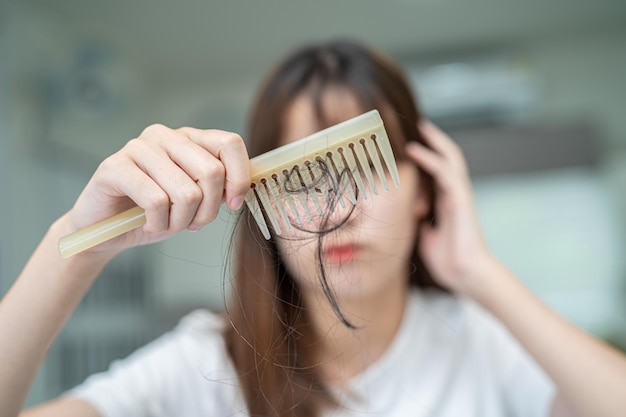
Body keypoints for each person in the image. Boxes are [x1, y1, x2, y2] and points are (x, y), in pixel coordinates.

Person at [1, 39, 625, 417]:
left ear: (426, 189)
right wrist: (76, 247)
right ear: (259, 195)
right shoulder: (205, 367)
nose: (336, 209)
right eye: (301, 176)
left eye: (364, 169)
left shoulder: (486, 347)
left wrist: (479, 274)